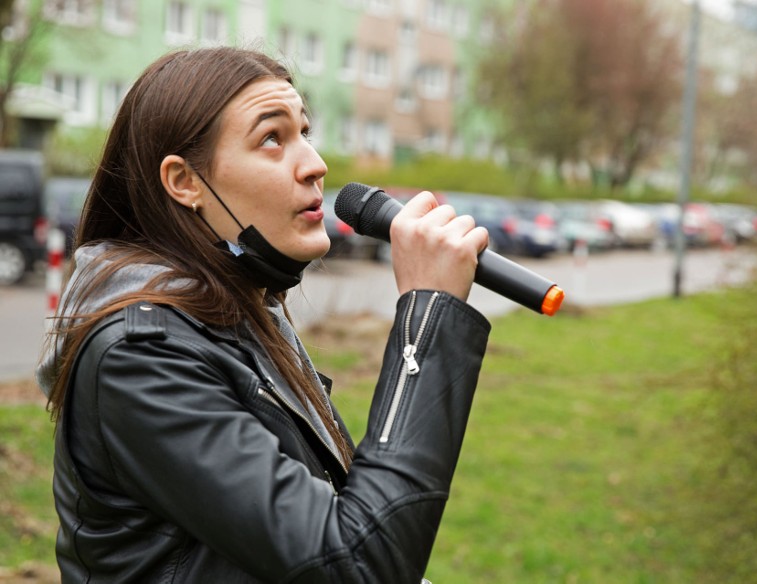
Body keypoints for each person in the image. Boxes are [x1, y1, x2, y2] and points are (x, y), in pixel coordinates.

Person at [37, 46, 491, 583]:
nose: (315, 164)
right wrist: (427, 319)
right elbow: (356, 564)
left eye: (306, 132)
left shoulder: (235, 313)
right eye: (272, 138)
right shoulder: (138, 355)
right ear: (185, 182)